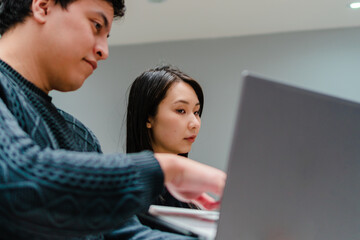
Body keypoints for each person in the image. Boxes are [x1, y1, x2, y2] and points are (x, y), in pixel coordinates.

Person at [0, 0, 226, 239]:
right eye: (96, 25)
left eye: (107, 36)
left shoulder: (82, 138)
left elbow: (125, 234)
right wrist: (167, 169)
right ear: (43, 6)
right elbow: (18, 182)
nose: (104, 51)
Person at [127, 66, 205, 209]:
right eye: (181, 110)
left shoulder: (187, 195)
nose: (195, 123)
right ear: (148, 118)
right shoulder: (132, 193)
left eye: (196, 112)